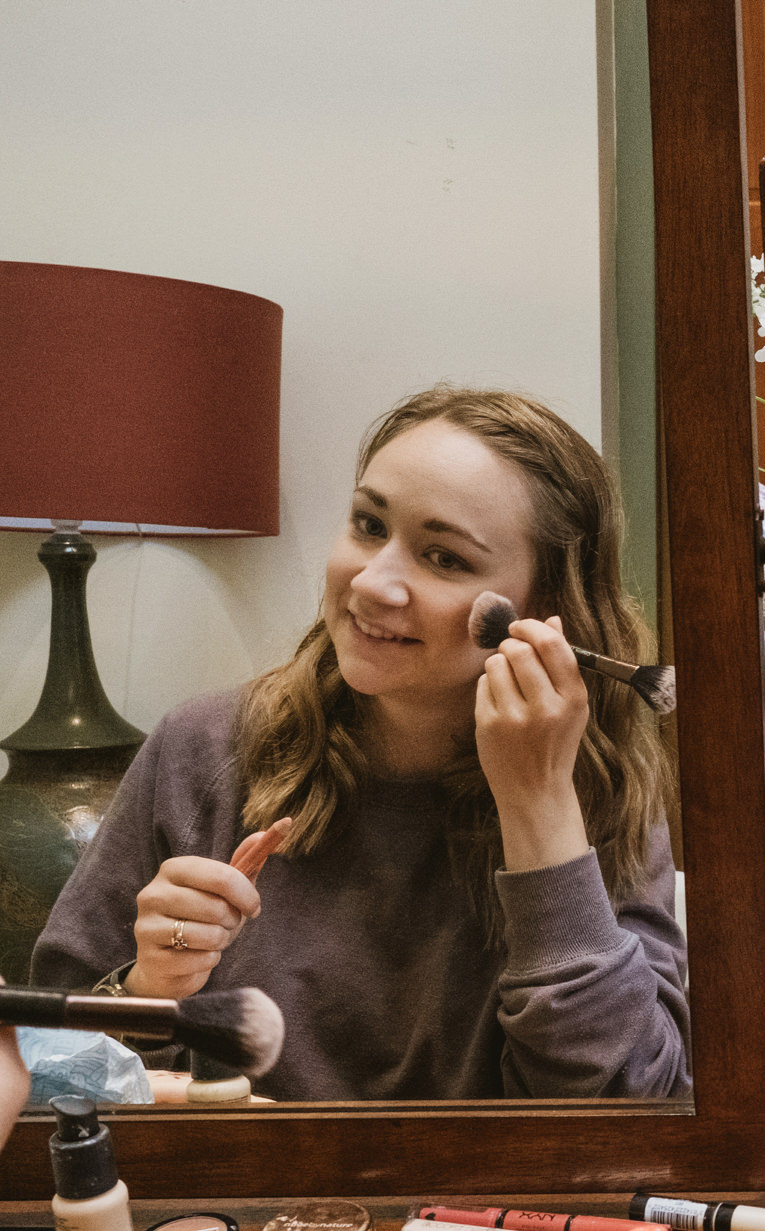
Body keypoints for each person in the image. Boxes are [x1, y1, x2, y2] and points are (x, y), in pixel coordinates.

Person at [31, 386, 689, 1102]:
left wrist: (540, 808)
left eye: (444, 558)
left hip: (494, 1183)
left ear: (546, 611)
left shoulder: (599, 787)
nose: (374, 583)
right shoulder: (203, 749)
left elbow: (632, 1104)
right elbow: (45, 1071)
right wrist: (147, 991)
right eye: (369, 525)